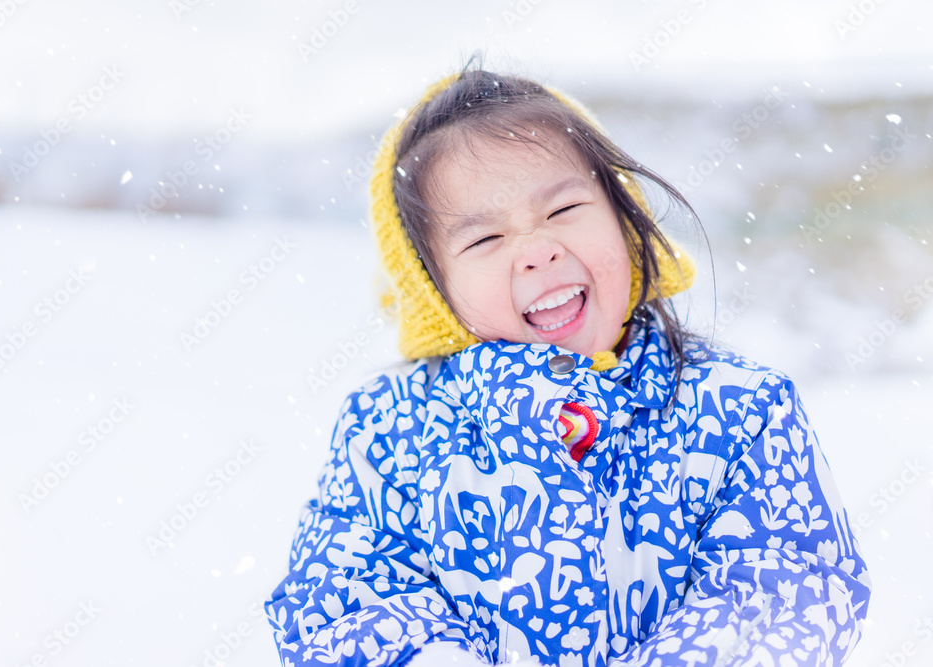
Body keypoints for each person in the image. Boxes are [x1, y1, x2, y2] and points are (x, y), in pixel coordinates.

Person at [264, 60, 871, 667]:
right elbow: (345, 602)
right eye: (484, 240)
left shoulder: (739, 409)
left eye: (562, 211)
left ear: (624, 216)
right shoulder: (390, 427)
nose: (538, 251)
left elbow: (785, 589)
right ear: (434, 290)